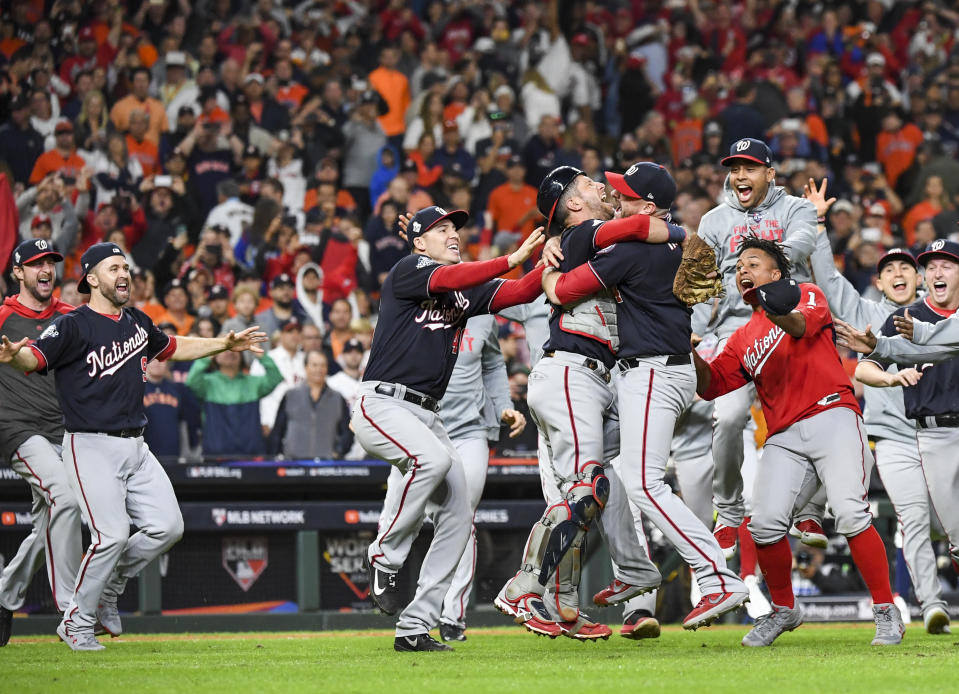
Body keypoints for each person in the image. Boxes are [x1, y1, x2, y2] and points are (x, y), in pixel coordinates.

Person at [0, 242, 267, 651]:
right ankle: (77, 622)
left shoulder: (137, 322)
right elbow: (34, 358)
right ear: (91, 279)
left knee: (168, 527)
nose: (123, 274)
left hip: (136, 446)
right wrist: (14, 357)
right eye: (112, 268)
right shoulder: (73, 324)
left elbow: (173, 348)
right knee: (111, 534)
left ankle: (109, 588)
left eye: (125, 267)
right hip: (88, 444)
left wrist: (223, 345)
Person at [517, 163, 746, 638]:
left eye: (624, 193)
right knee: (598, 474)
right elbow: (658, 232)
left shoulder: (633, 250)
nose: (614, 195)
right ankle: (632, 572)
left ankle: (717, 577)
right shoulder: (665, 243)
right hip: (657, 372)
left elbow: (560, 290)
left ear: (645, 204)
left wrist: (546, 268)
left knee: (642, 483)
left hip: (652, 372)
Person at [351, 205, 546, 652]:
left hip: (427, 414)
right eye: (441, 229)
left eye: (456, 227)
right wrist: (511, 257)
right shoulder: (410, 269)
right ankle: (385, 557)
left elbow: (518, 291)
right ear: (420, 242)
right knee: (434, 460)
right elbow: (451, 279)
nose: (453, 233)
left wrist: (553, 258)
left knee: (459, 515)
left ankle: (416, 626)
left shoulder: (465, 294)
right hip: (383, 402)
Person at [692, 236, 904, 647]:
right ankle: (784, 610)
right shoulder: (740, 337)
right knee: (766, 524)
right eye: (738, 268)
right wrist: (688, 353)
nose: (742, 271)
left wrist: (774, 304)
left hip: (832, 414)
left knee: (849, 513)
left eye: (752, 263)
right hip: (784, 435)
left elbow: (802, 324)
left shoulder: (808, 293)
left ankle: (885, 609)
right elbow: (711, 386)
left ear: (775, 274)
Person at [805, 179, 951, 635]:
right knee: (912, 519)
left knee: (949, 525)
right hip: (895, 436)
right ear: (878, 280)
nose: (899, 273)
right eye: (889, 270)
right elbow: (826, 279)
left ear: (921, 275)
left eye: (906, 266)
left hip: (945, 432)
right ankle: (931, 603)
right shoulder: (867, 313)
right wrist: (818, 223)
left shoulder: (943, 313)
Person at [696, 138, 819, 559]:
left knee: (816, 421)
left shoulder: (796, 209)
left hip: (787, 327)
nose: (740, 175)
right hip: (735, 330)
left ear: (770, 173)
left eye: (750, 167)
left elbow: (803, 242)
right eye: (735, 168)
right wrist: (693, 328)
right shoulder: (713, 221)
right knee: (728, 417)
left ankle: (809, 508)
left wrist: (759, 261)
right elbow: (700, 283)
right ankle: (729, 513)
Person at [836, 239, 959, 608]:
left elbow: (942, 342)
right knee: (925, 524)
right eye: (931, 266)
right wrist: (883, 357)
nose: (937, 272)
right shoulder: (905, 319)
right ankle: (932, 604)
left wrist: (893, 347)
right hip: (927, 433)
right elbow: (871, 364)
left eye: (947, 265)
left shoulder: (919, 326)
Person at [0, 240, 80, 647]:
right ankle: (72, 611)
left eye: (50, 262)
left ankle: (3, 594)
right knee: (66, 499)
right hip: (18, 429)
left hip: (64, 433)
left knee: (51, 520)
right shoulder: (1, 317)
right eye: (35, 264)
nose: (45, 269)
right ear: (18, 273)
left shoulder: (69, 317)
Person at [427, 313, 524, 642]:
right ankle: (413, 597)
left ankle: (452, 613)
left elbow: (494, 366)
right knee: (429, 517)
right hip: (425, 429)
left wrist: (503, 407)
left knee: (462, 514)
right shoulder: (418, 310)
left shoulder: (482, 318)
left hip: (470, 430)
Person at [270, 350, 352, 459]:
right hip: (294, 465)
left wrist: (338, 452)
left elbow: (348, 433)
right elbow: (277, 431)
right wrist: (281, 456)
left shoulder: (338, 398)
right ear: (305, 367)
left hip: (327, 466)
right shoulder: (291, 395)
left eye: (323, 365)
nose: (319, 369)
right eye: (314, 365)